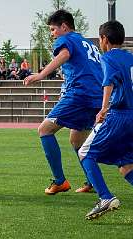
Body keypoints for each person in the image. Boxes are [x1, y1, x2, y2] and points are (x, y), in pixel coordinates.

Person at [24, 10, 104, 195]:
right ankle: (92, 182)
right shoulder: (87, 43)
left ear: (64, 27)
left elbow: (65, 54)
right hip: (96, 96)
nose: (52, 34)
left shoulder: (65, 40)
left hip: (80, 94)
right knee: (77, 140)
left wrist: (42, 74)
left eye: (53, 29)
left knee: (44, 129)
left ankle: (60, 181)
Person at [78, 20, 133, 220]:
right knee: (127, 166)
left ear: (104, 39)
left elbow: (108, 82)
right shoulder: (130, 58)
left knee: (85, 153)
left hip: (119, 115)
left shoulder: (108, 57)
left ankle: (105, 197)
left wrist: (102, 109)